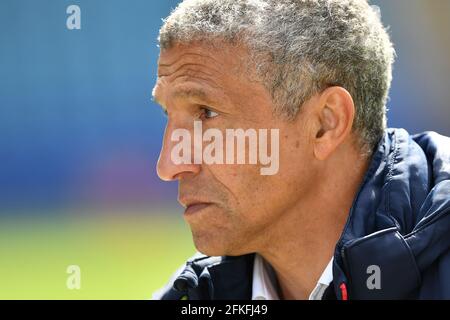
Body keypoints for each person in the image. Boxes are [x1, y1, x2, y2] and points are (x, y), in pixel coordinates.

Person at [151, 0, 450, 300]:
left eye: (206, 113)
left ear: (325, 124)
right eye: (168, 114)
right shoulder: (192, 295)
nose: (168, 166)